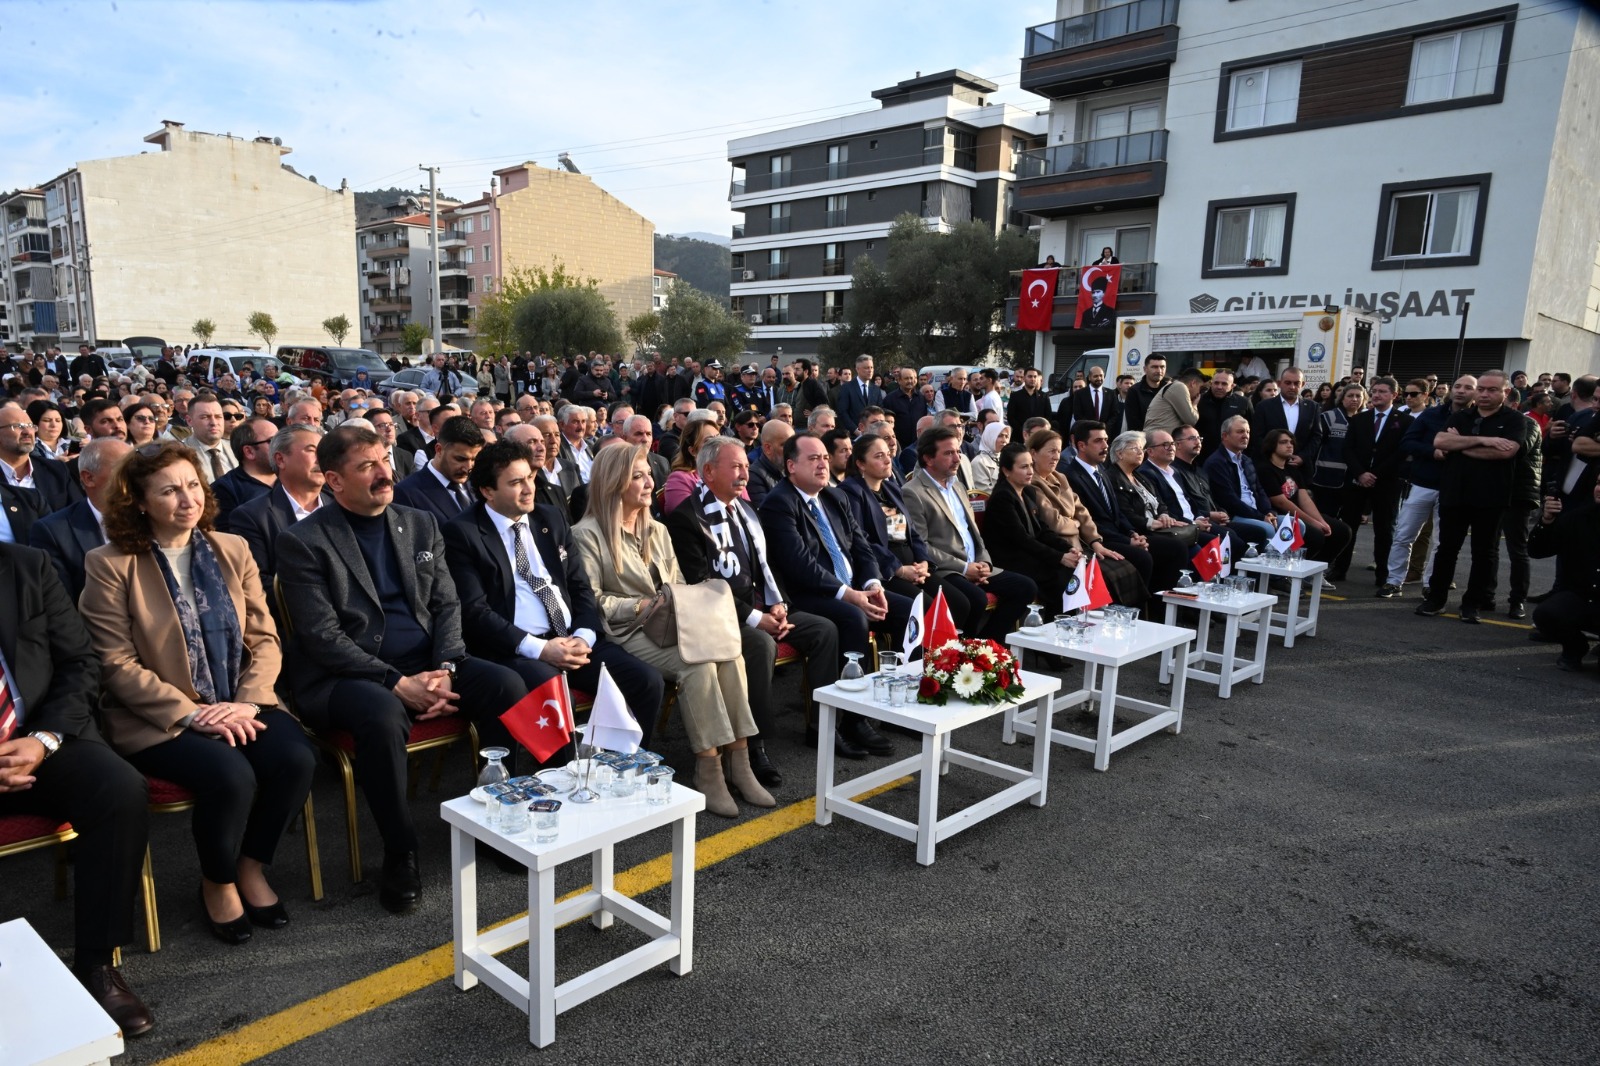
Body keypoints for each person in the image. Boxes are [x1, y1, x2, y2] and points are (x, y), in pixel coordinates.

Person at [277, 425, 525, 913]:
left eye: (385, 460)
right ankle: (400, 849)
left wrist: (448, 667)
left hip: (429, 662)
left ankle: (495, 820)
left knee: (506, 684)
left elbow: (447, 603)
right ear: (333, 480)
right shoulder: (303, 541)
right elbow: (322, 636)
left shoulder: (418, 523)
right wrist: (396, 682)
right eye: (366, 466)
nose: (383, 473)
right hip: (346, 678)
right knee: (383, 714)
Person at [79, 442, 315, 945]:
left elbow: (264, 639)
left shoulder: (232, 549)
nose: (187, 499)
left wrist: (247, 702)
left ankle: (250, 865)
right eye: (168, 490)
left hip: (238, 699)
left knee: (295, 757)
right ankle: (218, 881)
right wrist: (192, 715)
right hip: (159, 718)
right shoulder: (110, 563)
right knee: (229, 775)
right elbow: (115, 664)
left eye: (192, 485)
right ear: (139, 502)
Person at [0, 541, 155, 1032]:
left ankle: (96, 964)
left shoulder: (26, 565)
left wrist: (42, 741)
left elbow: (79, 664)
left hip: (36, 740)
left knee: (119, 789)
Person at [572, 444, 773, 817]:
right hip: (628, 631)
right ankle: (708, 768)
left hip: (671, 625)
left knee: (729, 655)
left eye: (649, 473)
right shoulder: (587, 534)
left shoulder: (658, 530)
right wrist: (643, 605)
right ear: (613, 482)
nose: (650, 482)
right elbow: (592, 603)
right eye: (637, 475)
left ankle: (740, 761)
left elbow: (680, 584)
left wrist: (678, 603)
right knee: (697, 667)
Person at [441, 439, 664, 761]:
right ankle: (566, 781)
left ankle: (622, 770)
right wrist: (541, 648)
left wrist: (583, 637)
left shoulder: (549, 518)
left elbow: (580, 587)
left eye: (530, 477)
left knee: (646, 680)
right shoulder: (463, 533)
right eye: (516, 482)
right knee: (556, 697)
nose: (529, 488)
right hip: (518, 650)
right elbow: (475, 613)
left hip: (574, 639)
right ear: (488, 491)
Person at [665, 435, 840, 784]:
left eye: (747, 465)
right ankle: (751, 747)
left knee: (824, 630)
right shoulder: (688, 518)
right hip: (718, 617)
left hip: (764, 606)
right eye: (736, 466)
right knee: (760, 645)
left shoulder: (746, 509)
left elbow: (768, 565)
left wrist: (779, 606)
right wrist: (756, 618)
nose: (745, 473)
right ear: (709, 471)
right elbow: (702, 585)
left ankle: (822, 725)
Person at [759, 433, 905, 758]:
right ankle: (850, 720)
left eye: (825, 457)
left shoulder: (835, 497)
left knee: (906, 610)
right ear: (791, 465)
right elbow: (799, 565)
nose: (823, 463)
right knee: (852, 618)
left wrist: (872, 585)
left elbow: (862, 547)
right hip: (807, 594)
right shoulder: (780, 503)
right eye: (813, 458)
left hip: (852, 586)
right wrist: (848, 595)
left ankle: (902, 705)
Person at [901, 425, 1037, 637]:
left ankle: (989, 644)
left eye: (957, 451)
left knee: (1026, 587)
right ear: (928, 459)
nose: (957, 458)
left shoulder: (957, 486)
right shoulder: (913, 492)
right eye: (948, 453)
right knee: (975, 599)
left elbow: (973, 533)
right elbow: (922, 545)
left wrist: (984, 563)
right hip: (948, 569)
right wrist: (965, 568)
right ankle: (967, 652)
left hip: (975, 564)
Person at [1416, 371, 1527, 623]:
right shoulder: (1461, 416)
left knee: (1484, 552)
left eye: (1492, 390)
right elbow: (1441, 441)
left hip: (1491, 496)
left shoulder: (1515, 420)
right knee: (1446, 549)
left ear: (1505, 393)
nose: (1485, 394)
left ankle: (1472, 604)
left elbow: (1505, 453)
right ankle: (1436, 599)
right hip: (1455, 493)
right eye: (1482, 389)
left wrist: (1461, 446)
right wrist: (1485, 441)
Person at [1027, 428, 1148, 606]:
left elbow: (1082, 512)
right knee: (1106, 576)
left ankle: (1123, 621)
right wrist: (1076, 524)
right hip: (1060, 548)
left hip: (1082, 544)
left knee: (1124, 567)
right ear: (1033, 453)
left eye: (1059, 451)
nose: (1056, 457)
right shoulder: (1031, 483)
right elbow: (1054, 523)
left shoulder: (1060, 477)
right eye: (1051, 451)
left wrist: (1096, 542)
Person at [1383, 375, 1476, 598]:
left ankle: (1431, 583)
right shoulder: (1432, 414)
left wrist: (1457, 447)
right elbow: (1408, 442)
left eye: (1468, 387)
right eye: (1458, 386)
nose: (1461, 391)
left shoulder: (1478, 420)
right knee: (1404, 534)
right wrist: (1432, 451)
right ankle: (1394, 581)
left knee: (1441, 541)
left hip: (1455, 487)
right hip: (1423, 483)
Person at [222, 424, 329, 588]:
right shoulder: (252, 517)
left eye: (322, 451)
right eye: (311, 450)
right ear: (280, 459)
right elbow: (257, 585)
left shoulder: (341, 504)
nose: (321, 458)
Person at [28, 437, 131, 602]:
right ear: (89, 478)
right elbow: (61, 605)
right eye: (123, 469)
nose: (134, 476)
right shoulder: (53, 532)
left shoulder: (154, 517)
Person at [1105, 430, 1208, 593]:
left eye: (1142, 448)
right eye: (1135, 449)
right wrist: (1152, 523)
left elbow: (1160, 502)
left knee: (1194, 547)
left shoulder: (1139, 476)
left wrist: (1164, 515)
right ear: (1119, 453)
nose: (1141, 452)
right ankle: (1165, 601)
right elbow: (1125, 513)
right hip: (1141, 530)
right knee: (1178, 548)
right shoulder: (1112, 478)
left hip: (1158, 527)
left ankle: (1196, 600)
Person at [984, 443, 1085, 605]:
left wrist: (1067, 548)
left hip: (1029, 552)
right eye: (1024, 467)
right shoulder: (1002, 498)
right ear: (1006, 471)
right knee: (1059, 575)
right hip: (1011, 558)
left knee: (1075, 570)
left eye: (1031, 465)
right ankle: (1055, 624)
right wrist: (1059, 557)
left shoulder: (1029, 491)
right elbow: (1022, 539)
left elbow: (1042, 530)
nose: (1030, 471)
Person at [1337, 377, 1409, 587]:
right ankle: (1340, 568)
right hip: (1357, 482)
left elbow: (1401, 453)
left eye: (1382, 392)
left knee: (1384, 530)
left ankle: (1383, 574)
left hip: (1386, 483)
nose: (1377, 395)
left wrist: (1374, 473)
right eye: (1374, 391)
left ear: (1394, 395)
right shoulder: (1360, 419)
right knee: (1349, 526)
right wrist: (1360, 473)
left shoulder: (1404, 421)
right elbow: (1347, 449)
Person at [1256, 427, 1353, 575]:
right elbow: (1281, 502)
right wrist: (1313, 523)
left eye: (1291, 442)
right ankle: (1289, 574)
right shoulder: (1265, 469)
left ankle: (1314, 572)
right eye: (1283, 442)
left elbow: (1304, 498)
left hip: (1299, 514)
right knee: (1315, 535)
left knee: (1342, 531)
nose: (1290, 445)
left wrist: (1321, 521)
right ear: (1272, 445)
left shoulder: (1293, 470)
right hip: (1282, 515)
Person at [1528, 488, 1600, 669]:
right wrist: (1547, 520)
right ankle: (1575, 647)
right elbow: (1537, 550)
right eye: (1599, 482)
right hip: (1583, 596)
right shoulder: (1579, 518)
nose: (1599, 488)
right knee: (1546, 614)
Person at [0, 399, 83, 544]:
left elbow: (79, 515)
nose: (27, 432)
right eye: (17, 426)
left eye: (30, 426)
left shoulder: (56, 470)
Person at [392, 414, 485, 525]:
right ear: (439, 449)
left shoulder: (477, 483)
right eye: (460, 459)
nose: (468, 467)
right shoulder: (406, 493)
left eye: (474, 459)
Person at [1310, 384, 1363, 530]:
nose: (1354, 399)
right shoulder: (1329, 417)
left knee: (1349, 526)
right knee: (1325, 522)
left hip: (1353, 482)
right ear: (1342, 398)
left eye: (1358, 396)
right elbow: (1315, 445)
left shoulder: (1365, 420)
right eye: (1350, 395)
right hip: (1326, 481)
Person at [1250, 367, 1322, 470]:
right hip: (1270, 467)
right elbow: (1257, 436)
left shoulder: (1312, 407)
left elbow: (1317, 436)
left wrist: (1303, 456)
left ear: (1302, 384)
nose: (1292, 387)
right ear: (1279, 383)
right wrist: (1275, 456)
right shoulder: (1264, 406)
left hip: (1301, 468)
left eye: (1296, 383)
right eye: (1288, 383)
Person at [210, 415, 279, 522]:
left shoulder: (292, 477)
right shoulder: (223, 490)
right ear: (249, 452)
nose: (282, 445)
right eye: (273, 441)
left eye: (281, 439)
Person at [661, 416, 721, 514]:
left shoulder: (730, 473)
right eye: (709, 441)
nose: (718, 444)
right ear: (693, 451)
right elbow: (687, 519)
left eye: (718, 437)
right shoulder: (679, 479)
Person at [183, 394, 237, 485]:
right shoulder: (180, 453)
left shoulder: (236, 448)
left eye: (218, 417)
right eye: (205, 417)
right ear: (189, 421)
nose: (214, 423)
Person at [1059, 364, 1122, 437]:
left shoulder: (1111, 393)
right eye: (1095, 376)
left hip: (1106, 434)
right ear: (1089, 377)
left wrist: (1105, 428)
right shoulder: (1080, 394)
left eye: (1101, 375)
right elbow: (1078, 415)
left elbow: (1114, 414)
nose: (1099, 378)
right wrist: (1091, 429)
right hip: (1087, 434)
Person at [1142, 367, 1204, 438]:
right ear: (1193, 383)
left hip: (1159, 440)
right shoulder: (1179, 386)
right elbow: (1191, 420)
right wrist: (1195, 405)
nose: (1199, 393)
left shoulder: (1174, 386)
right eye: (1201, 388)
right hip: (1158, 441)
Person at [746, 418, 792, 508]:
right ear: (768, 448)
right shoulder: (754, 476)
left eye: (793, 444)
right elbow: (769, 513)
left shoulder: (793, 470)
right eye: (786, 445)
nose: (792, 450)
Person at [833, 355, 883, 430]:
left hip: (873, 433)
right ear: (857, 369)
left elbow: (880, 411)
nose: (870, 370)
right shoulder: (847, 388)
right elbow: (843, 412)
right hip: (853, 435)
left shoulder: (876, 389)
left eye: (871, 367)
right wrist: (855, 430)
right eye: (866, 368)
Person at [1005, 367, 1053, 440]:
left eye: (1035, 377)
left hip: (1039, 436)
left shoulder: (1044, 396)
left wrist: (1041, 430)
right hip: (1019, 436)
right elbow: (1011, 417)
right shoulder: (1015, 396)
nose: (1033, 379)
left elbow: (1048, 416)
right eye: (1030, 376)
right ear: (1024, 378)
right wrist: (1023, 430)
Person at [971, 421, 1010, 494]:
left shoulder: (1008, 459)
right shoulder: (979, 462)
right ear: (989, 437)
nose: (1004, 440)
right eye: (1000, 436)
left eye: (1007, 436)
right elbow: (985, 492)